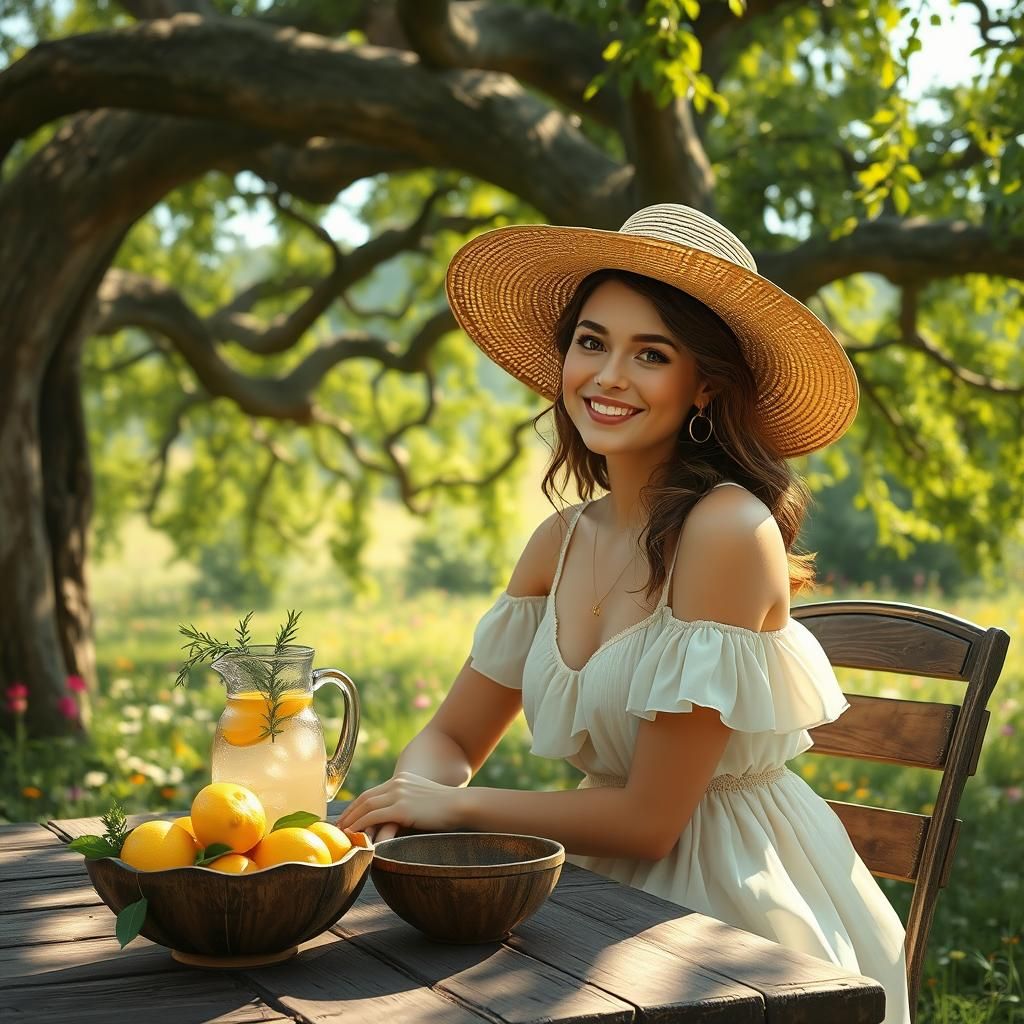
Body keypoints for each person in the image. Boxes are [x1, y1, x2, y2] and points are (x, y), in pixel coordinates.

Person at [338, 204, 911, 1024]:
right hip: (597, 895)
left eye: (651, 354)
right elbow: (456, 737)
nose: (608, 376)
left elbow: (650, 821)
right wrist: (409, 799)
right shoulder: (560, 541)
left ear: (704, 383)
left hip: (732, 923)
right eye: (592, 341)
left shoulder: (727, 532)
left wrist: (455, 808)